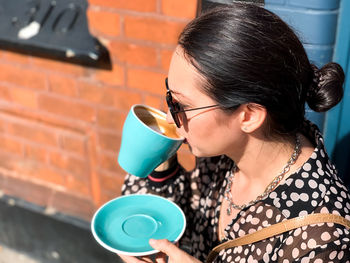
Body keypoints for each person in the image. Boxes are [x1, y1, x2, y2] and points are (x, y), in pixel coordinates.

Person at [120, 2, 350, 262]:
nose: (171, 114)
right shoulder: (224, 152)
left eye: (181, 105)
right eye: (169, 96)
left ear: (249, 116)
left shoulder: (324, 238)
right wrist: (161, 162)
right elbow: (184, 216)